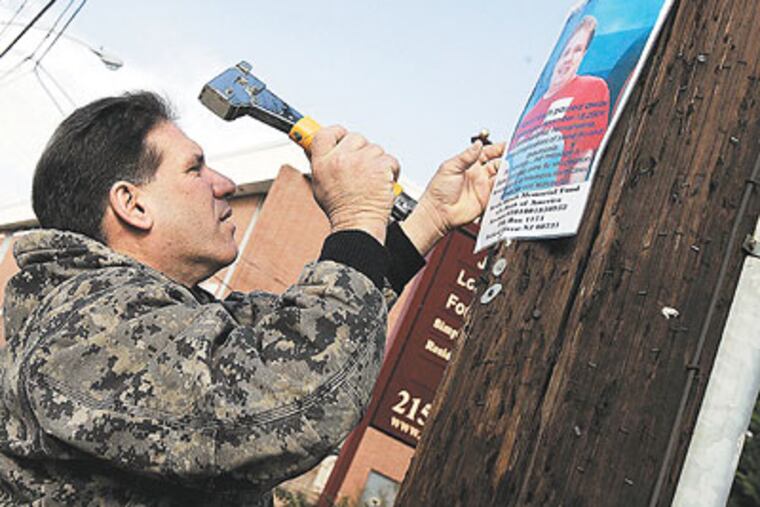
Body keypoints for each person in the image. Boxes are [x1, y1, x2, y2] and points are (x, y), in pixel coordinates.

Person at [0, 91, 503, 506]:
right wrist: (356, 213)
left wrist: (428, 220)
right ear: (133, 204)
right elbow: (290, 396)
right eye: (195, 169)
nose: (225, 184)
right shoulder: (84, 330)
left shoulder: (157, 320)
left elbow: (285, 342)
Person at [508, 15, 610, 191]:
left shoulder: (592, 88)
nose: (569, 58)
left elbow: (582, 158)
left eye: (577, 50)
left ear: (584, 54)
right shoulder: (529, 116)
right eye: (566, 52)